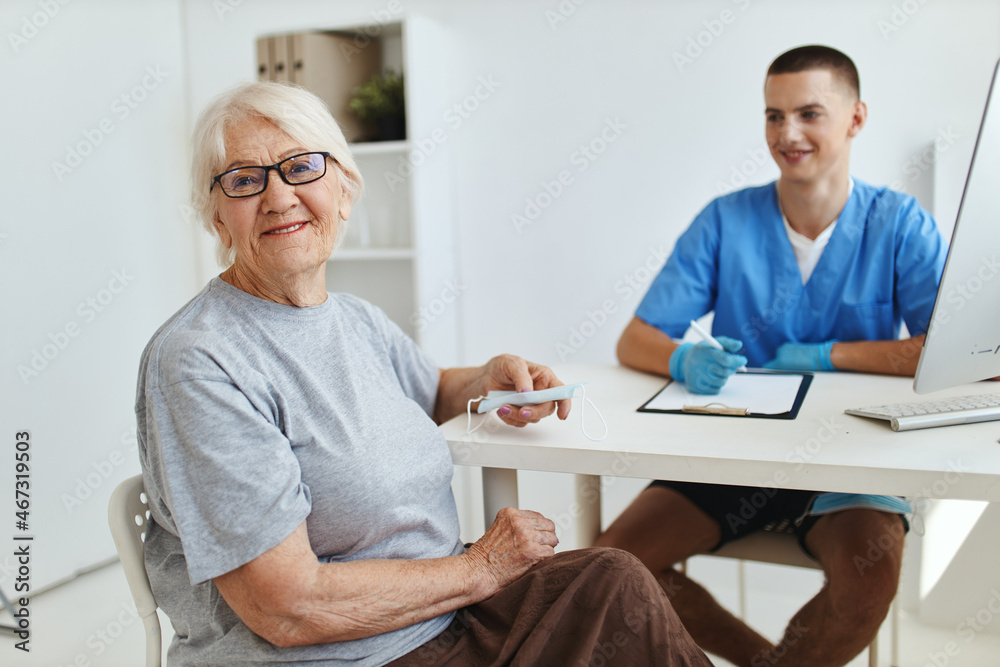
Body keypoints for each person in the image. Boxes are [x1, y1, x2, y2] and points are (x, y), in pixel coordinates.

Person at [135, 80, 712, 667]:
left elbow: (431, 388)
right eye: (243, 179)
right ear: (215, 215)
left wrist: (487, 379)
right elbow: (285, 607)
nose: (279, 197)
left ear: (344, 189)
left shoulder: (354, 319)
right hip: (349, 656)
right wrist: (480, 567)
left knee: (613, 582)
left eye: (301, 167)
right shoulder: (199, 360)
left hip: (441, 618)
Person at [595, 45, 947, 667]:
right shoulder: (726, 221)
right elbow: (636, 338)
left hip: (848, 463)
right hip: (734, 457)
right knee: (613, 564)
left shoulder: (899, 224)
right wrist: (681, 360)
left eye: (809, 113)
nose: (788, 134)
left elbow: (940, 352)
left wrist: (829, 354)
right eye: (773, 115)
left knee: (867, 584)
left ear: (855, 119)